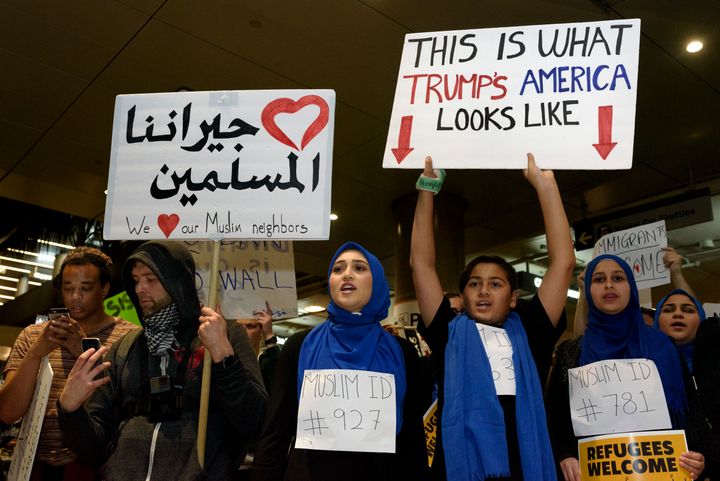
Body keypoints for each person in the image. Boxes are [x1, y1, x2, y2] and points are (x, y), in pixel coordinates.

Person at [410, 154, 575, 481]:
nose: (483, 291)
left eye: (495, 284)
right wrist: (427, 189)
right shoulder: (448, 332)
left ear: (513, 299)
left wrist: (546, 185)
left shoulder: (531, 331)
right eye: (474, 284)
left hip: (525, 467)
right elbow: (421, 265)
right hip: (460, 467)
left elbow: (563, 263)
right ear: (464, 294)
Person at [56, 240, 267, 481]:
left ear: (176, 281)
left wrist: (223, 357)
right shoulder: (124, 349)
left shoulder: (222, 334)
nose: (139, 289)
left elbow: (256, 423)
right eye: (135, 280)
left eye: (151, 279)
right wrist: (70, 411)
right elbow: (92, 449)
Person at [250, 242, 430, 481]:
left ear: (376, 280)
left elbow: (412, 439)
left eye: (359, 268)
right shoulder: (299, 347)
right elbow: (276, 431)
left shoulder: (402, 352)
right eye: (338, 269)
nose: (347, 274)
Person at [546, 254, 706, 481]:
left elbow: (692, 411)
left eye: (618, 278)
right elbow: (554, 418)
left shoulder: (663, 346)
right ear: (589, 290)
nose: (609, 285)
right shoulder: (571, 353)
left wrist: (699, 456)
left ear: (631, 287)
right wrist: (565, 455)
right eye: (599, 279)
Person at [0, 247, 137, 481]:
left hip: (97, 464)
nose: (75, 297)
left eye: (85, 289)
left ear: (104, 289)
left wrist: (80, 349)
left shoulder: (129, 336)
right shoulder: (33, 335)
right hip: (33, 462)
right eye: (68, 288)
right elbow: (8, 412)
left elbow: (127, 404)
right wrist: (36, 354)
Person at [654, 289, 719, 479]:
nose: (678, 314)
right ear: (657, 319)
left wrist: (708, 462)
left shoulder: (715, 366)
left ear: (701, 319)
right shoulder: (643, 368)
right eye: (668, 309)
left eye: (688, 310)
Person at [242, 301, 281, 394]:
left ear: (260, 333)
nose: (242, 331)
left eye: (250, 326)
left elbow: (280, 385)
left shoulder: (264, 363)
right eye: (238, 327)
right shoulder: (225, 361)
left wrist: (268, 335)